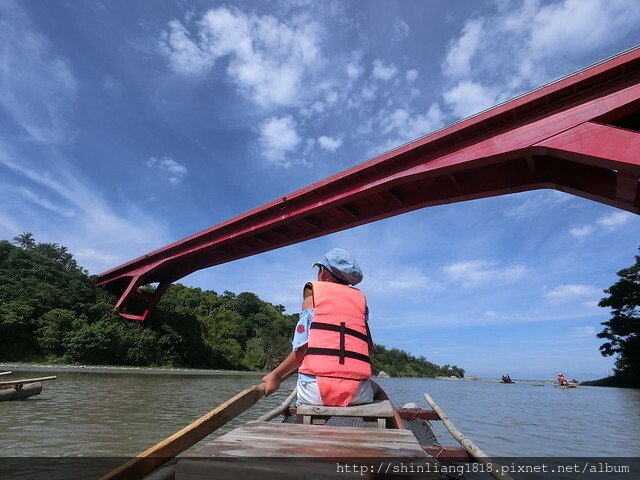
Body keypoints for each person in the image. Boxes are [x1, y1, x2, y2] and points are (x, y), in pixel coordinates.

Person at [262, 248, 376, 407]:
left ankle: (303, 428)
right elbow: (368, 347)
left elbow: (302, 347)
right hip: (358, 392)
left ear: (324, 273)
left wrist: (275, 375)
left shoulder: (313, 296)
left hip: (315, 391)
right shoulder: (360, 302)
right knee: (378, 391)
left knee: (304, 402)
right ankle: (401, 430)